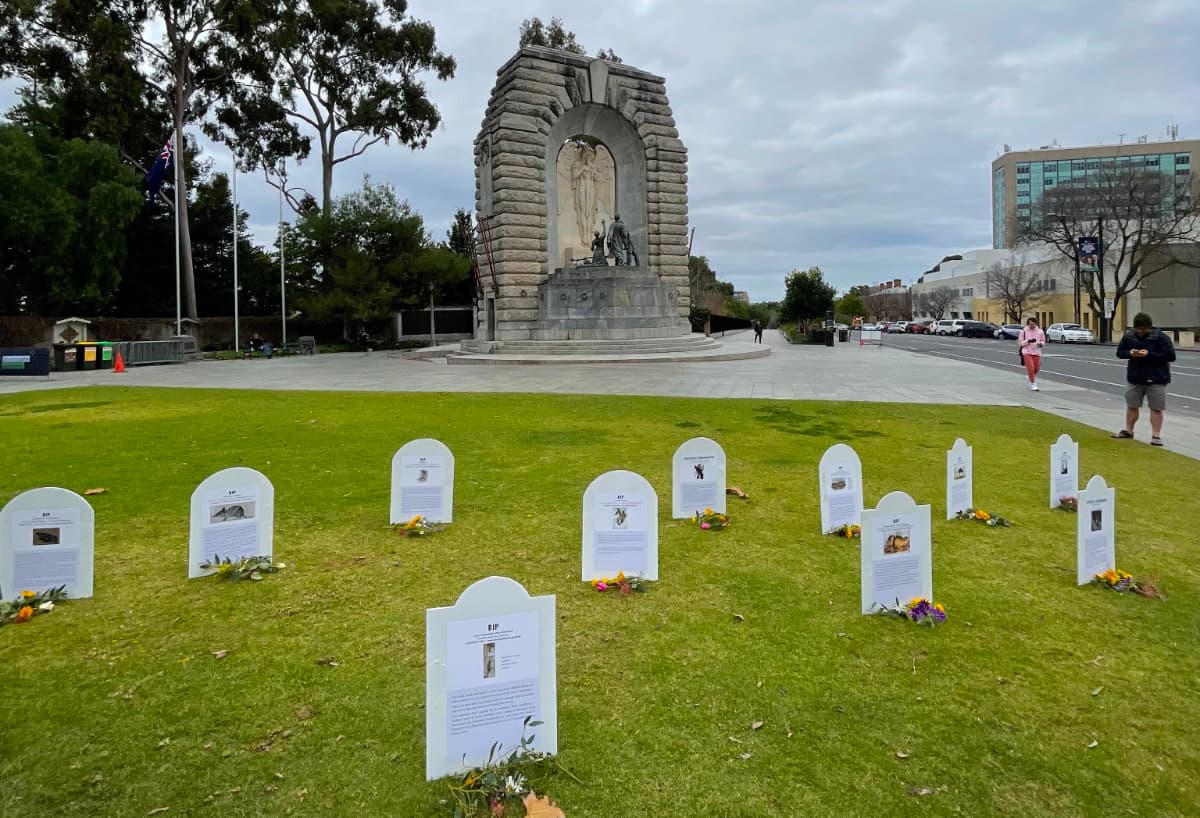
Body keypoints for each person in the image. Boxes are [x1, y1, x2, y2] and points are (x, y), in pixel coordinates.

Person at [1112, 312, 1175, 447]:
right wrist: (1130, 353)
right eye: (1138, 329)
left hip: (1157, 378)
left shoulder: (1161, 338)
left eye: (1143, 329)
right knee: (1132, 405)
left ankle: (1156, 435)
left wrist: (1149, 354)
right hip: (1135, 377)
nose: (1140, 331)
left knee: (1156, 408)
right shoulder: (1129, 336)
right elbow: (1120, 352)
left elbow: (1170, 356)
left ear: (1149, 327)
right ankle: (1128, 430)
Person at [1017, 317, 1046, 391]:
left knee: (1036, 369)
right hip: (1027, 352)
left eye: (1033, 324)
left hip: (1037, 352)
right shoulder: (1023, 331)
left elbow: (1043, 341)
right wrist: (1028, 341)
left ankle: (1029, 377)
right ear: (1028, 324)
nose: (1032, 326)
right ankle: (1033, 384)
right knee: (1031, 368)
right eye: (1030, 324)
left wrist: (1041, 344)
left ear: (1036, 323)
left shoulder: (1040, 332)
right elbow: (1020, 342)